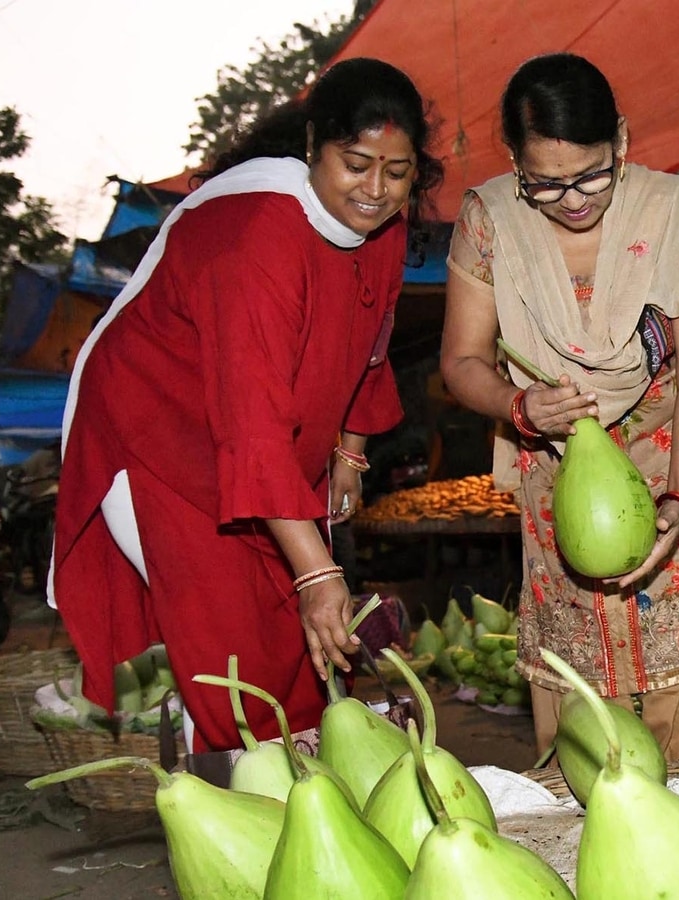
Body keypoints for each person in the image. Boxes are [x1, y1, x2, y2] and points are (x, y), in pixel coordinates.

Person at [49, 58, 443, 752]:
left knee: (299, 633)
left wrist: (349, 451)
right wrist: (319, 571)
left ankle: (315, 795)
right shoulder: (253, 235)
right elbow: (250, 420)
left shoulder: (382, 221)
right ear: (315, 143)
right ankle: (251, 806)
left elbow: (371, 335)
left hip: (261, 449)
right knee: (235, 643)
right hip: (160, 439)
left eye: (397, 170)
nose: (375, 190)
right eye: (356, 164)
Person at [439, 53, 679, 760]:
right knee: (587, 723)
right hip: (558, 480)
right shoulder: (490, 220)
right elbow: (461, 362)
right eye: (546, 184)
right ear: (515, 163)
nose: (575, 199)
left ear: (622, 139)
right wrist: (520, 407)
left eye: (592, 173)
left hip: (675, 464)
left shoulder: (674, 210)